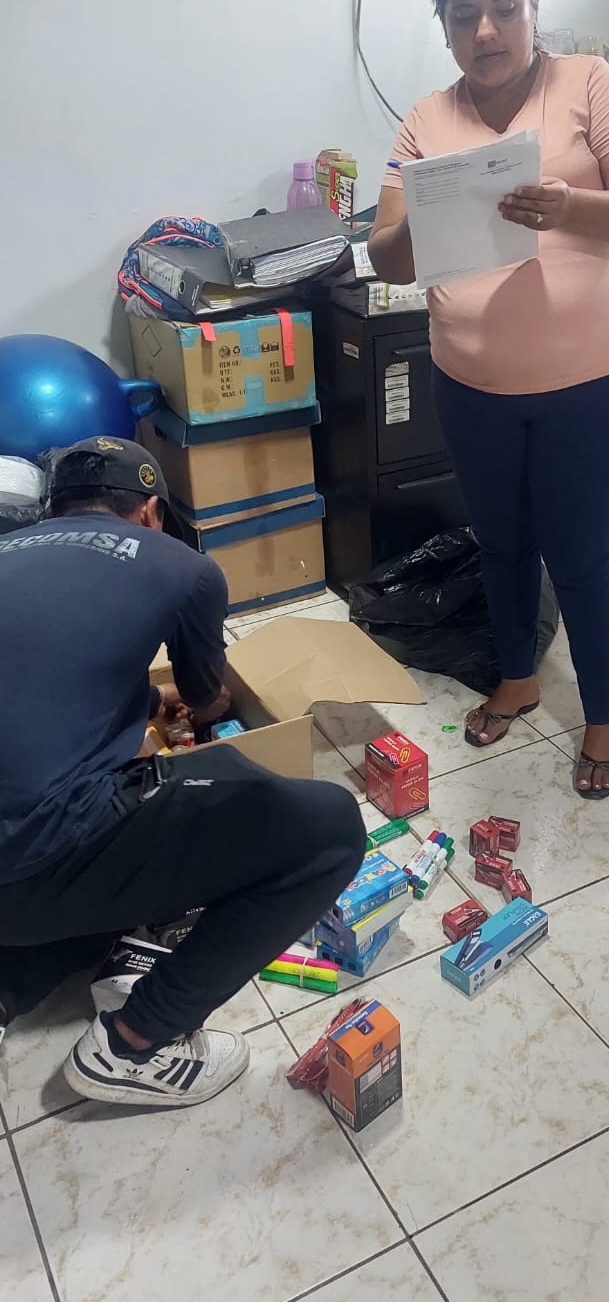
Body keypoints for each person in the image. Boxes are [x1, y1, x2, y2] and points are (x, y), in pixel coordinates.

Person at [369, 0, 609, 799]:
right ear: (443, 22)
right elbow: (387, 256)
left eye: (504, 8)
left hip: (588, 384)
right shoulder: (427, 119)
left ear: (534, 4)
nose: (486, 31)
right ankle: (515, 676)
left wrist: (566, 206)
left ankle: (602, 716)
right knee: (501, 544)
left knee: (578, 556)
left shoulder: (590, 85)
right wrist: (429, 217)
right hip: (472, 385)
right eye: (463, 15)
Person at [0, 437, 365, 1106]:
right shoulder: (182, 565)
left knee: (88, 863)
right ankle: (133, 1044)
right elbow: (204, 696)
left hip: (20, 880)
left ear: (53, 509)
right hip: (27, 867)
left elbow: (39, 683)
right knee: (329, 828)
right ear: (150, 512)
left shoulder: (9, 549)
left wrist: (142, 703)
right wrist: (203, 704)